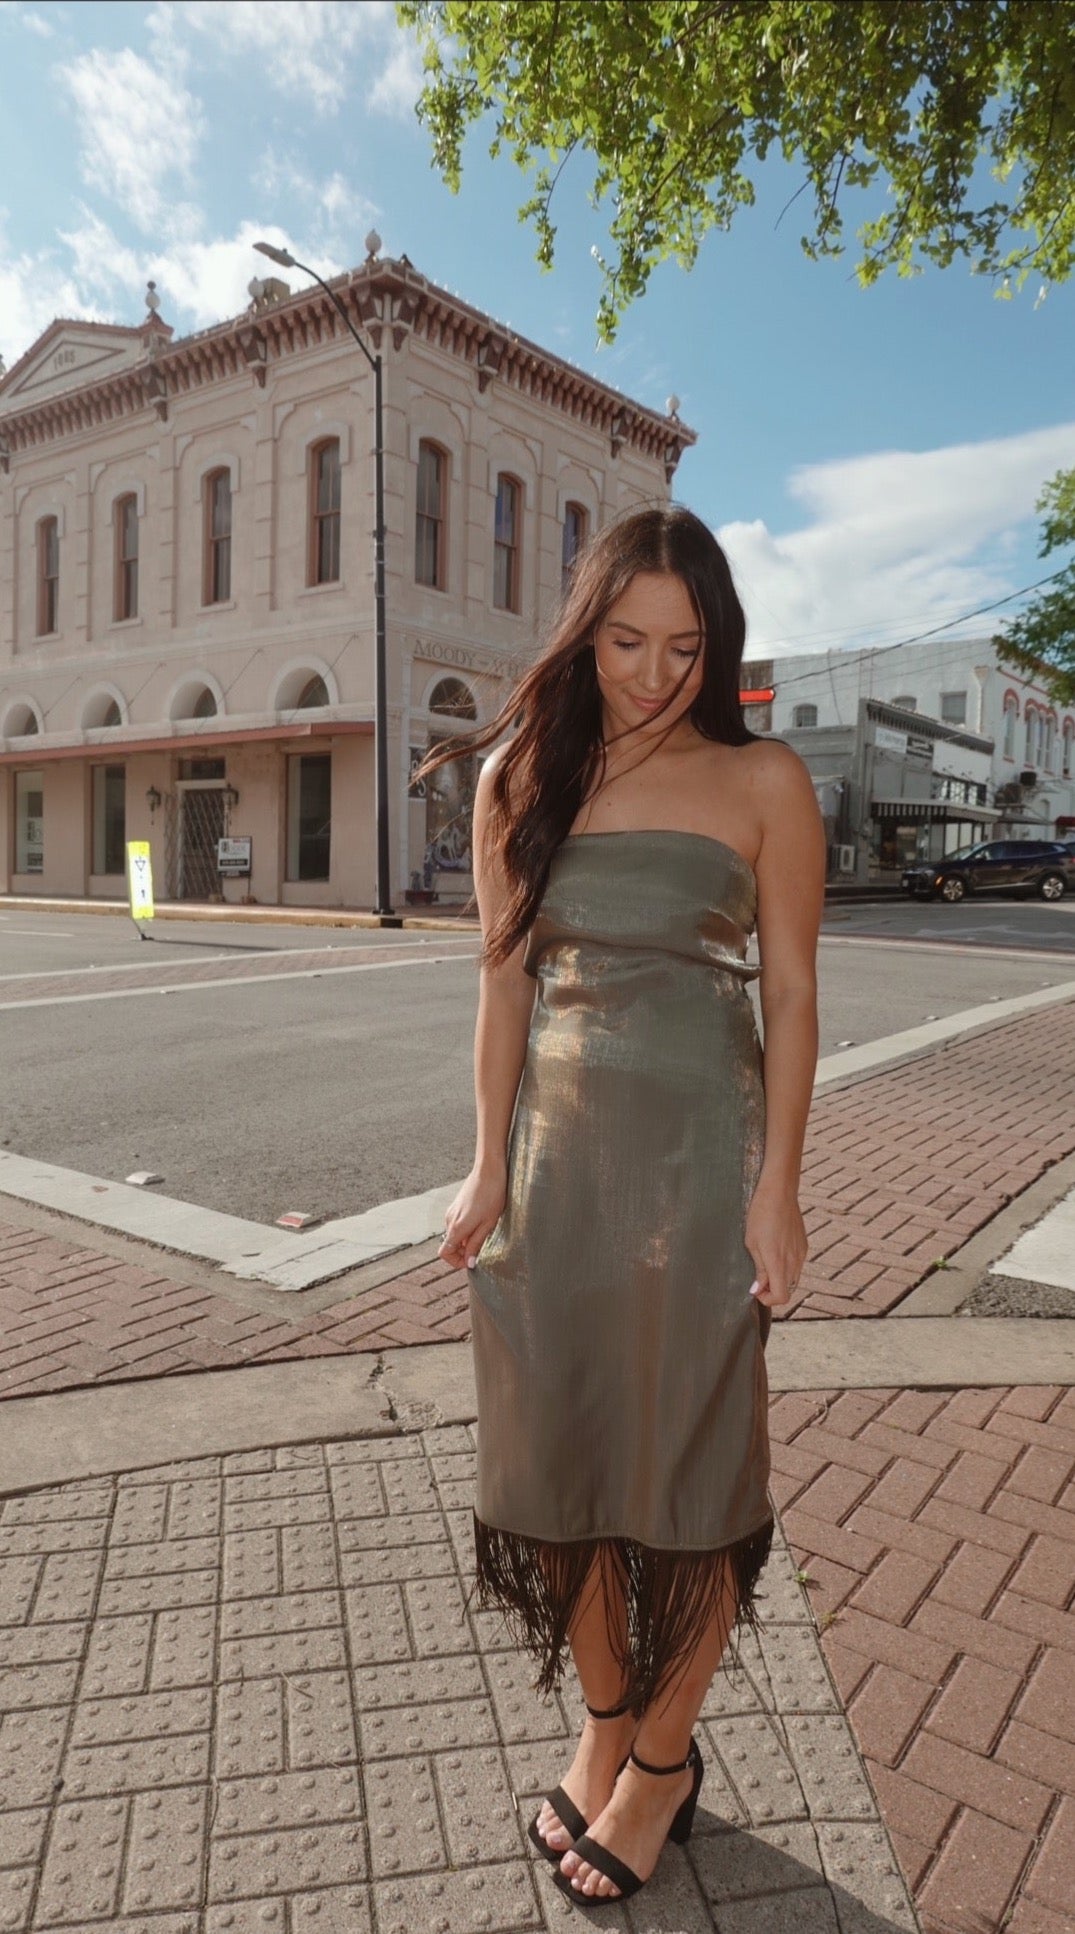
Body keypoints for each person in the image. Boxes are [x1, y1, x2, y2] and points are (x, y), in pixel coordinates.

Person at [430, 504, 825, 1908]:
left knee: (696, 1478)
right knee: (561, 1471)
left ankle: (662, 1764)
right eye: (625, 641)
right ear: (581, 631)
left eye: (686, 646)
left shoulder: (765, 778)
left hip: (703, 1171)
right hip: (557, 1169)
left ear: (717, 647)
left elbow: (790, 994)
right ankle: (605, 1719)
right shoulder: (518, 777)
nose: (656, 673)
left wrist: (779, 1187)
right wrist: (487, 1165)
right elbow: (501, 987)